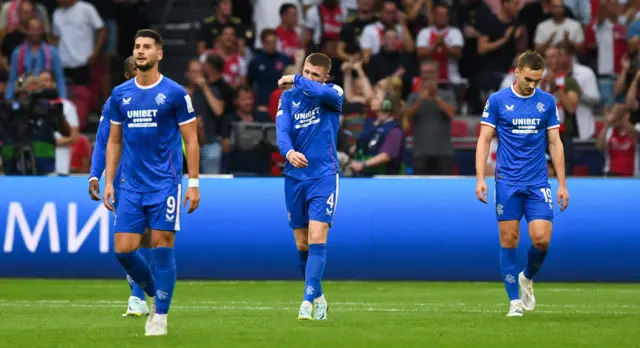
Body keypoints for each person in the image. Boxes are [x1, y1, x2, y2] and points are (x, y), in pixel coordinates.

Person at [102, 29, 200, 336]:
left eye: (146, 47)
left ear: (159, 54)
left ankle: (160, 316)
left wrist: (194, 182)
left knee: (161, 247)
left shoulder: (174, 93)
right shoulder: (120, 94)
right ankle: (155, 292)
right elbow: (114, 140)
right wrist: (108, 181)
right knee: (123, 250)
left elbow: (192, 140)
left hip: (165, 184)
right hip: (130, 184)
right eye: (137, 46)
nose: (140, 51)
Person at [474, 50, 569, 317]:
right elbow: (484, 140)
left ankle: (526, 277)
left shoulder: (547, 103)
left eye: (537, 80)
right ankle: (514, 302)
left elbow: (555, 143)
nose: (532, 85)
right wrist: (481, 179)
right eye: (529, 79)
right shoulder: (497, 101)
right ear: (517, 72)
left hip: (538, 181)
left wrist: (562, 184)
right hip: (507, 181)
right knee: (509, 239)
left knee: (542, 240)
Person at [275, 53, 344, 320]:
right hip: (294, 177)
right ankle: (320, 298)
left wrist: (294, 78)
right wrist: (289, 152)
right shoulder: (288, 98)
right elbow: (282, 130)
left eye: (315, 75)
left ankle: (306, 302)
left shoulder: (333, 93)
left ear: (325, 77)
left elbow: (318, 91)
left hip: (323, 176)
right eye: (306, 72)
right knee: (302, 244)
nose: (310, 78)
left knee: (317, 237)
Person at [88, 56, 155, 317]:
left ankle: (137, 298)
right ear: (129, 75)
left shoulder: (162, 96)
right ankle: (138, 284)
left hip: (153, 180)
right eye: (138, 68)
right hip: (123, 183)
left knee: (147, 238)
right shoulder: (116, 100)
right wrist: (95, 175)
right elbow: (103, 140)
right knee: (128, 247)